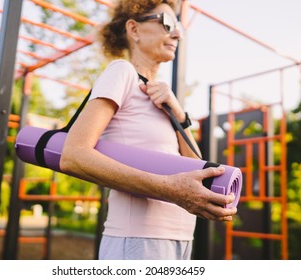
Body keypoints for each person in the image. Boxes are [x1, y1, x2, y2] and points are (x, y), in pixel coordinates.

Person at [60, 0, 237, 260]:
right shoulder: (122, 73)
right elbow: (73, 155)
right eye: (167, 24)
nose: (176, 34)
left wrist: (179, 113)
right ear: (134, 30)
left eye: (178, 27)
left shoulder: (163, 97)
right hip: (137, 241)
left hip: (181, 239)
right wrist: (170, 190)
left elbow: (195, 166)